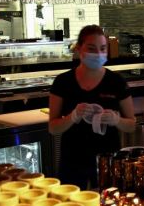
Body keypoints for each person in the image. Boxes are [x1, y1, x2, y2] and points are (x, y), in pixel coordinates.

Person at [49, 25, 135, 189]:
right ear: (79, 48)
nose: (98, 53)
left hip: (107, 159)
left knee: (108, 205)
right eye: (91, 48)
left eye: (102, 49)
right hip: (72, 159)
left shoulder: (116, 82)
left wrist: (116, 120)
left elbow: (131, 124)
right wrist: (73, 117)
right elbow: (53, 128)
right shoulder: (62, 82)